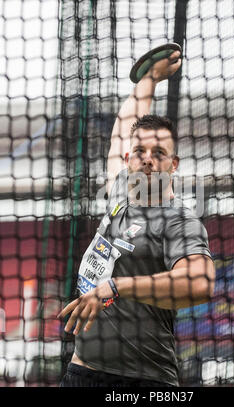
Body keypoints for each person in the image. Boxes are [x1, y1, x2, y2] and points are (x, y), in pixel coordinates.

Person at [58, 49, 215, 387]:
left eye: (159, 153)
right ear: (129, 159)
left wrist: (116, 287)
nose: (147, 160)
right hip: (81, 372)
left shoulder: (178, 220)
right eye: (140, 152)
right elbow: (122, 131)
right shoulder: (119, 193)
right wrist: (149, 79)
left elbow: (200, 283)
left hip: (141, 381)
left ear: (173, 165)